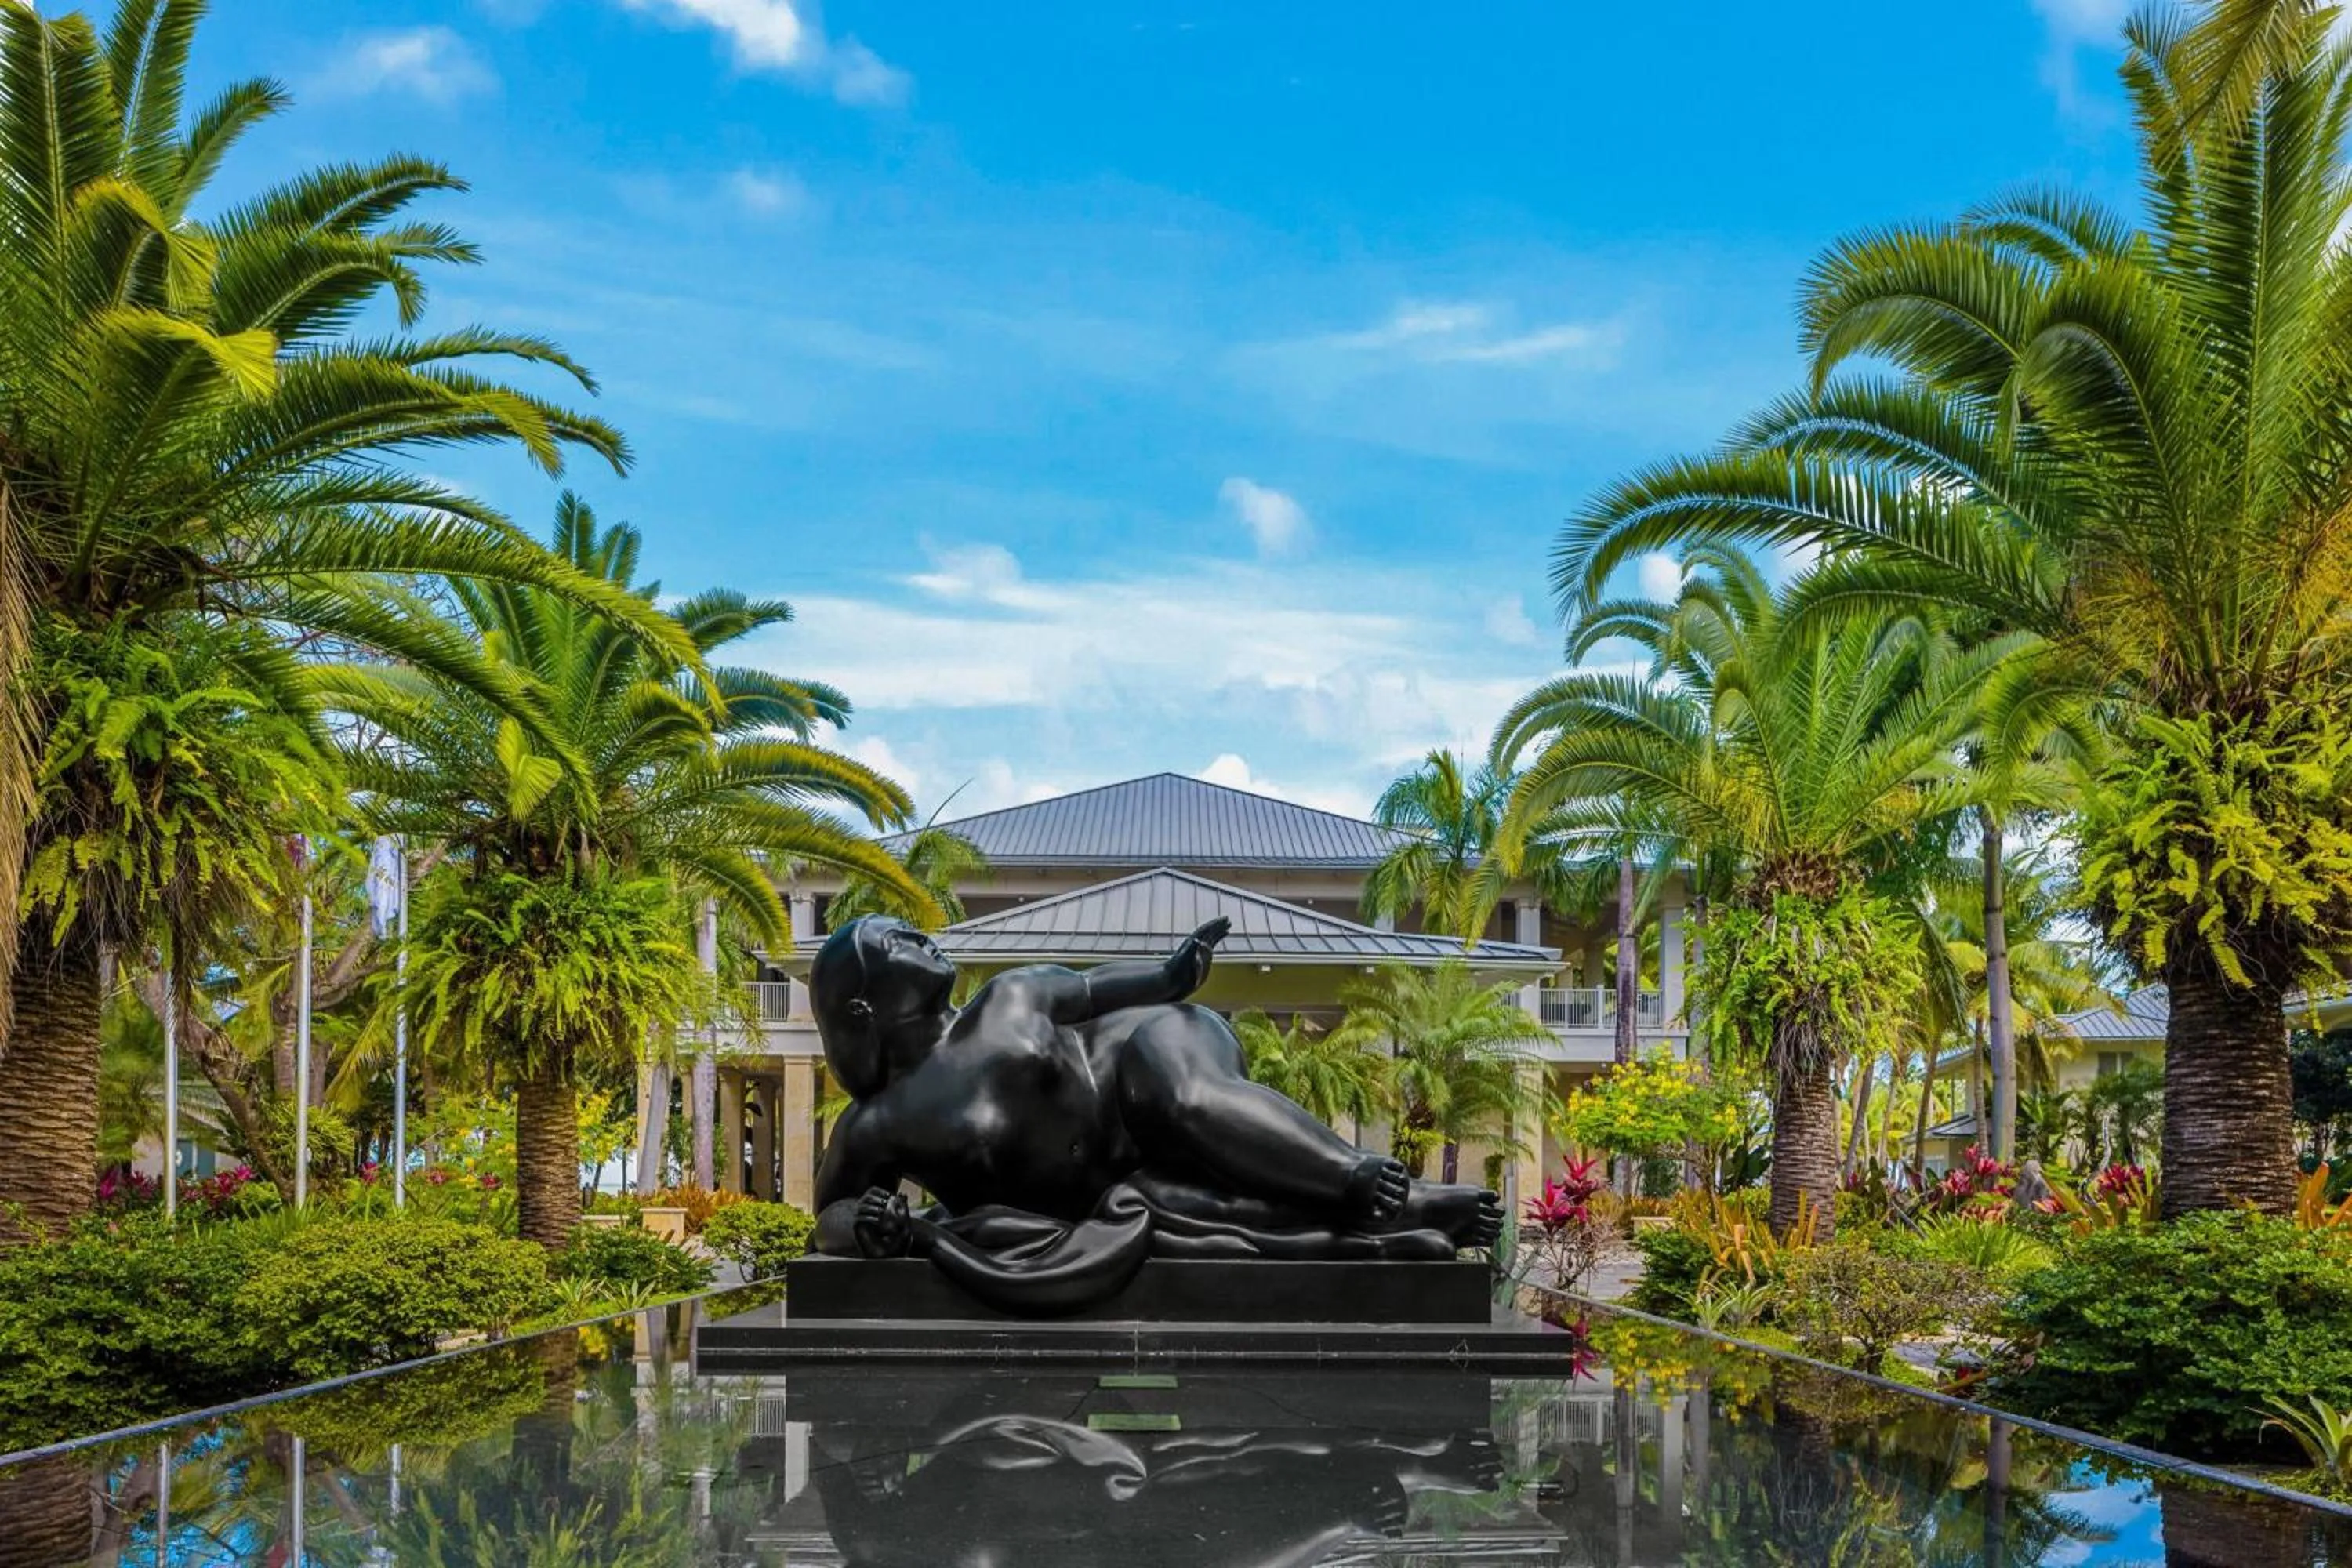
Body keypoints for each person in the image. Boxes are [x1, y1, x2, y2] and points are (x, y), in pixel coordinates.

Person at [808, 914, 1502, 1312]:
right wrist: (868, 1224)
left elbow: (1091, 988)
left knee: (1187, 1100)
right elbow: (828, 1220)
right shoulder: (876, 1124)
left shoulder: (1010, 996)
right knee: (1225, 1211)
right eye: (895, 943)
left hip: (1145, 1050)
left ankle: (1356, 1177)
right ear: (863, 1007)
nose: (922, 936)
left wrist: (1171, 977)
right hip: (1119, 1184)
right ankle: (1416, 1212)